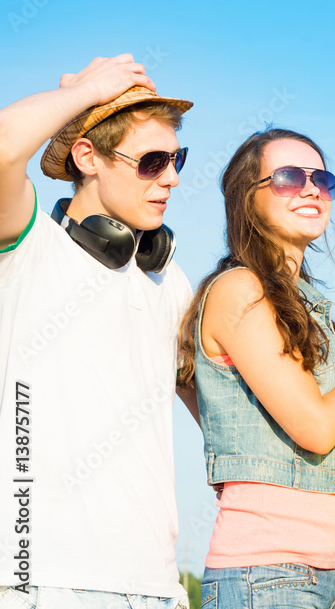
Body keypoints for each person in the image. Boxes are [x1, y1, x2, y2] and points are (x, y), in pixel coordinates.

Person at [175, 128, 335, 609]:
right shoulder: (240, 289)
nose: (309, 188)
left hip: (326, 570)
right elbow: (319, 428)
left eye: (321, 179)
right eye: (287, 177)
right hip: (269, 573)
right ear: (246, 200)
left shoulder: (307, 307)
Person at [0, 55, 193, 608]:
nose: (172, 177)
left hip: (157, 589)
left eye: (176, 159)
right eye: (152, 161)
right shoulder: (29, 240)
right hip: (44, 580)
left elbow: (216, 409)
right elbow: (5, 143)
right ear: (87, 157)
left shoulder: (167, 277)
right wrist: (88, 90)